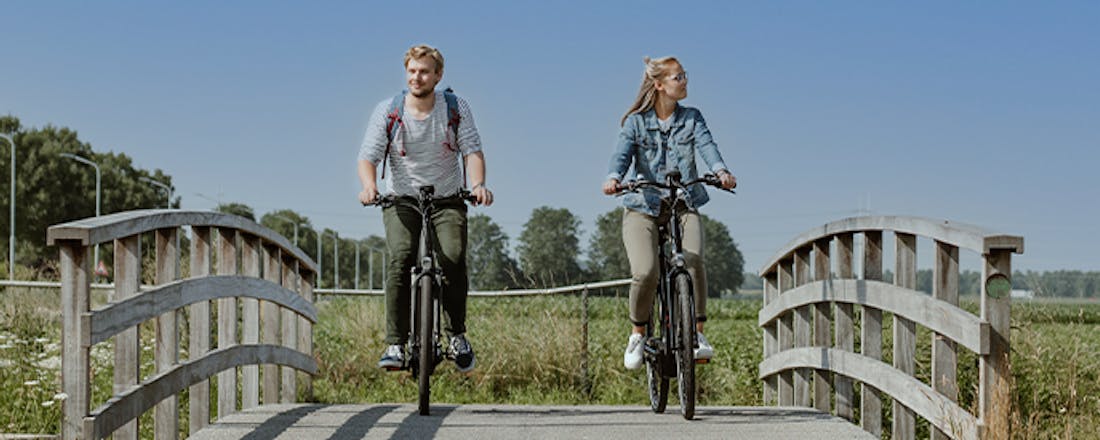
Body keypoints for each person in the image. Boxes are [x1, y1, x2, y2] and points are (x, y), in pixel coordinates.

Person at [358, 44, 493, 373]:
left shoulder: (455, 107)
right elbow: (368, 156)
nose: (417, 77)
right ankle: (396, 343)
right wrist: (369, 186)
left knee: (452, 256)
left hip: (446, 197)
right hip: (401, 198)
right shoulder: (389, 110)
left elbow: (471, 150)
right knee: (401, 256)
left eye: (424, 71)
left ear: (438, 75)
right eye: (412, 71)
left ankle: (456, 336)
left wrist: (477, 186)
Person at [603, 56, 737, 370]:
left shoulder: (692, 118)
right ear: (660, 85)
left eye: (684, 75)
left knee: (693, 259)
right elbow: (621, 155)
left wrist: (721, 171)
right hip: (643, 207)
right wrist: (613, 178)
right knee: (646, 271)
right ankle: (637, 333)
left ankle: (698, 335)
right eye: (679, 77)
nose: (685, 81)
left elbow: (707, 146)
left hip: (683, 202)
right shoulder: (637, 122)